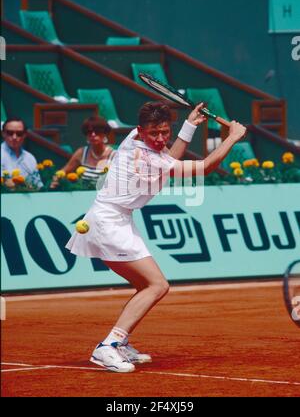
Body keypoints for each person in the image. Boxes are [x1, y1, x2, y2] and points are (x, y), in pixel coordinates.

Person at [66, 101, 246, 373]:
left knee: (146, 285)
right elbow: (205, 167)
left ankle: (121, 341)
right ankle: (108, 347)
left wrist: (189, 125)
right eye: (154, 133)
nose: (160, 138)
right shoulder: (148, 158)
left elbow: (170, 157)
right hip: (108, 222)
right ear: (141, 131)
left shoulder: (132, 140)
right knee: (157, 285)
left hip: (117, 220)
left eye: (165, 132)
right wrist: (232, 137)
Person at [50, 115, 115, 189]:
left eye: (97, 131)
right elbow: (62, 172)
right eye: (89, 132)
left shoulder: (114, 156)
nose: (93, 134)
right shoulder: (81, 152)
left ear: (105, 133)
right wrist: (55, 180)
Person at [1, 118, 43, 189]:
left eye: (19, 134)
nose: (14, 137)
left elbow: (38, 186)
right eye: (10, 133)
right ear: (3, 134)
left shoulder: (30, 158)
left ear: (24, 135)